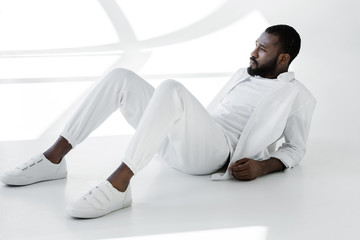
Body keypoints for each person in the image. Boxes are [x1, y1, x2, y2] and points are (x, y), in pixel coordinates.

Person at [0, 24, 316, 219]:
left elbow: (296, 147)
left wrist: (263, 166)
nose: (253, 53)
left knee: (171, 88)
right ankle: (54, 158)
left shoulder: (297, 96)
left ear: (283, 58)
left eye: (262, 49)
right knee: (121, 77)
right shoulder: (243, 75)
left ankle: (119, 184)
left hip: (217, 154)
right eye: (255, 45)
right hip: (183, 142)